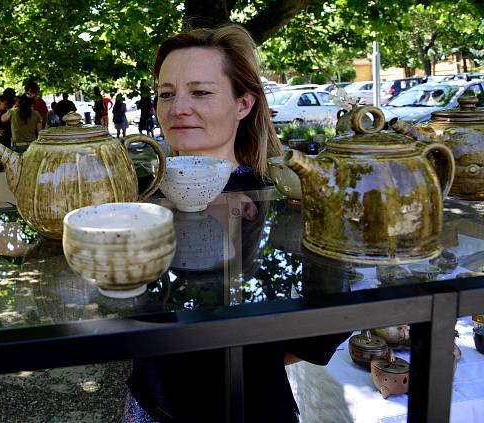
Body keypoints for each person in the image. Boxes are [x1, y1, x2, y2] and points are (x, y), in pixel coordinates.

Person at [124, 25, 347, 423]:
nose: (178, 109)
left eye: (201, 92)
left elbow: (331, 318)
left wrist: (252, 353)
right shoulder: (139, 197)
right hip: (148, 407)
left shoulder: (278, 202)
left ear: (243, 104)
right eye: (166, 93)